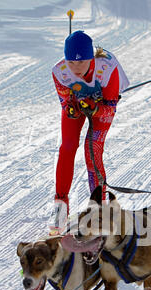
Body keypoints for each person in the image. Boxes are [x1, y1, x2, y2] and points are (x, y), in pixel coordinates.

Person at [51, 30, 129, 231]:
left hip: (102, 105)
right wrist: (71, 106)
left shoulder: (107, 68)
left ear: (91, 58)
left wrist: (94, 108)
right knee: (67, 148)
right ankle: (60, 212)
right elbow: (66, 101)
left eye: (82, 62)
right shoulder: (59, 71)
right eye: (71, 62)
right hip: (80, 102)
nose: (76, 68)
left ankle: (99, 212)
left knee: (91, 150)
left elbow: (109, 109)